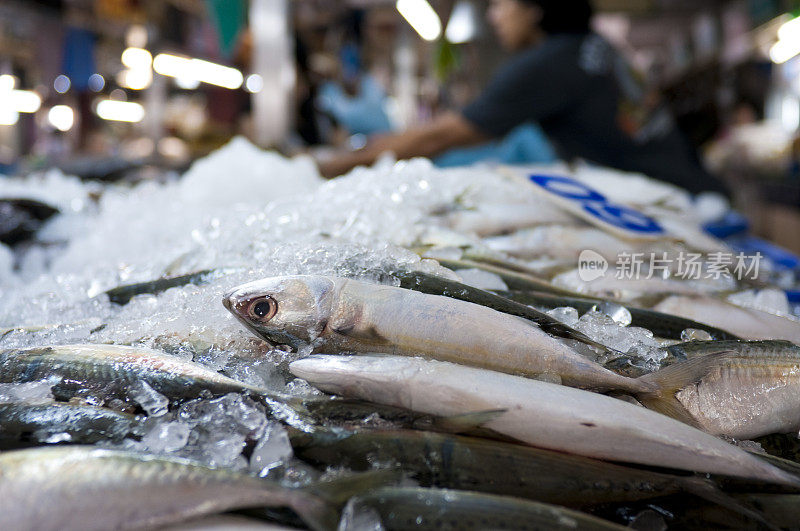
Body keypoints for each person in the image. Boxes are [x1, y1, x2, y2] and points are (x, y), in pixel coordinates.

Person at [316, 0, 728, 195]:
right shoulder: (592, 46)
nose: (493, 14)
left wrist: (336, 165)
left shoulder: (547, 64)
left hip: (675, 206)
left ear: (534, 8)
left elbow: (437, 137)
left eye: (499, 3)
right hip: (693, 190)